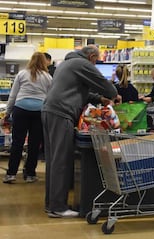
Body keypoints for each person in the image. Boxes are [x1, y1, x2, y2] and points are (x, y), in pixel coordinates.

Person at [42, 45, 119, 218]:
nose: (96, 63)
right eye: (96, 60)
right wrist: (112, 95)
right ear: (91, 57)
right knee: (62, 160)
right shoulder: (82, 64)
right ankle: (58, 208)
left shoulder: (67, 63)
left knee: (54, 160)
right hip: (62, 113)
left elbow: (79, 92)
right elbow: (109, 88)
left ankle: (52, 203)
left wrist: (99, 99)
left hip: (49, 111)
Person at [3, 52, 52, 184]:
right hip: (39, 111)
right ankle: (30, 174)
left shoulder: (22, 74)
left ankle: (11, 174)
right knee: (34, 144)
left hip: (21, 109)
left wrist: (7, 113)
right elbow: (50, 98)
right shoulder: (48, 77)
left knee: (17, 143)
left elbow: (13, 95)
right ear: (44, 62)